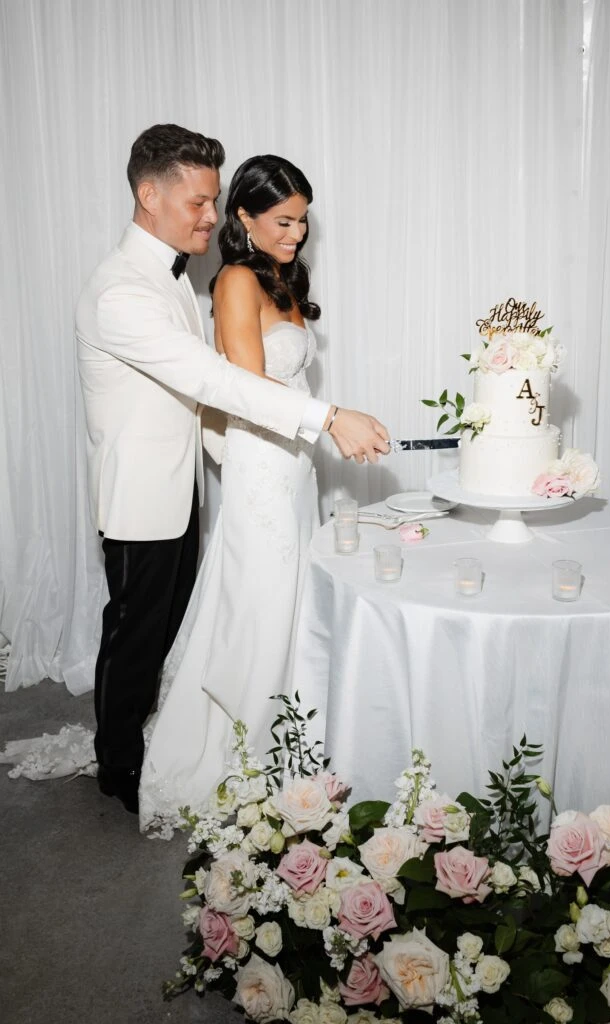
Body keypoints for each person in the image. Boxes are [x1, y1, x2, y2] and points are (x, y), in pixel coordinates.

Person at [76, 125, 389, 815]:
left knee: (174, 627)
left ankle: (175, 736)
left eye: (215, 201)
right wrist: (328, 417)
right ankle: (120, 764)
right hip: (139, 493)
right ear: (147, 193)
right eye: (197, 202)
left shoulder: (176, 280)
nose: (210, 217)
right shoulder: (121, 292)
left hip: (193, 482)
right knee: (135, 632)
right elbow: (215, 380)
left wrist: (247, 461)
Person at [138, 154, 332, 832]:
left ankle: (292, 736)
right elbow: (250, 389)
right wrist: (335, 419)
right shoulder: (236, 282)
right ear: (244, 218)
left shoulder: (281, 279)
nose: (297, 233)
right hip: (261, 465)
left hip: (295, 465)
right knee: (261, 600)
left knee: (293, 602)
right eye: (283, 220)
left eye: (304, 221)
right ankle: (246, 752)